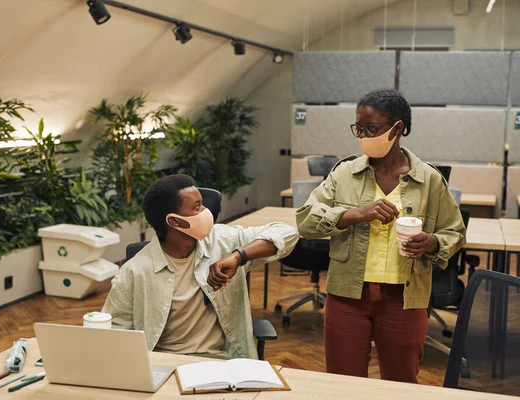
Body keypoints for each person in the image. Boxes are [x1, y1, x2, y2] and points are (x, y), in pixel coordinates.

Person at [296, 89, 466, 383]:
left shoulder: (428, 179)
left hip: (404, 298)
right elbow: (305, 220)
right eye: (358, 128)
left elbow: (454, 231)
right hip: (347, 296)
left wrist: (433, 242)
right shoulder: (344, 173)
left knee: (401, 385)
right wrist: (356, 214)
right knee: (342, 384)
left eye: (371, 128)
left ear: (397, 128)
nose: (362, 135)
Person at [102, 174, 298, 359]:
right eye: (197, 207)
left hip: (221, 362)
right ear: (174, 221)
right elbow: (111, 329)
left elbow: (288, 233)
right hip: (164, 365)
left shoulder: (223, 241)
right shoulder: (134, 271)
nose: (206, 211)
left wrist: (239, 257)